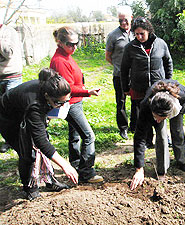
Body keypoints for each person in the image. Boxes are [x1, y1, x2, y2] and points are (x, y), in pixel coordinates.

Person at [0, 68, 78, 200]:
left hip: (24, 111)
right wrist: (65, 165)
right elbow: (41, 141)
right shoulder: (35, 105)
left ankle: (50, 181)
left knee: (43, 147)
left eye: (66, 102)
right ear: (47, 96)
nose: (62, 106)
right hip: (8, 119)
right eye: (59, 103)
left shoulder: (49, 86)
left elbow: (43, 140)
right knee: (27, 152)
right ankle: (30, 187)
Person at [50, 26, 103, 183]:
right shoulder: (60, 60)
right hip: (71, 103)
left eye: (76, 43)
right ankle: (87, 172)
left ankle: (75, 164)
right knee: (88, 136)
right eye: (70, 44)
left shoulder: (66, 55)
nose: (74, 47)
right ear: (60, 42)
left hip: (74, 102)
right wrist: (87, 92)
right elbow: (66, 88)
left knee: (75, 135)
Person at [130, 80, 185, 190]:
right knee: (162, 135)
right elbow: (139, 138)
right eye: (155, 117)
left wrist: (164, 116)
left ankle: (182, 161)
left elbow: (182, 101)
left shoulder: (182, 95)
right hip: (156, 106)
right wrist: (139, 169)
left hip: (177, 104)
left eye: (161, 118)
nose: (157, 120)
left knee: (177, 131)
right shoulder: (146, 105)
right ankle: (162, 170)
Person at [121, 16, 173, 148]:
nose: (139, 36)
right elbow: (124, 68)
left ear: (148, 31)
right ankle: (147, 141)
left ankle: (163, 139)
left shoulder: (161, 44)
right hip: (139, 88)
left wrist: (169, 82)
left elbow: (168, 63)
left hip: (158, 87)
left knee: (159, 112)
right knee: (143, 115)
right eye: (136, 34)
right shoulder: (130, 47)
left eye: (142, 33)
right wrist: (125, 87)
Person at [105, 6, 135, 139]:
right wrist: (119, 67)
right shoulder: (113, 35)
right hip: (119, 76)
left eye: (126, 20)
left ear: (131, 18)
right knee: (121, 102)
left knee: (136, 101)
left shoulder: (137, 32)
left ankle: (134, 126)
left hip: (135, 75)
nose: (123, 23)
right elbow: (108, 56)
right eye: (120, 20)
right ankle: (123, 128)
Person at [0, 24, 23, 153]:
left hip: (11, 76)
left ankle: (15, 140)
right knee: (1, 112)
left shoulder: (9, 32)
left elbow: (8, 53)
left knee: (12, 110)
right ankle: (7, 138)